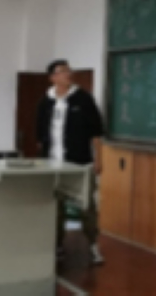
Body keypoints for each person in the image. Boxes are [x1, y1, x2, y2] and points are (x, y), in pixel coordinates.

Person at [36, 59, 105, 265]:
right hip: (52, 164)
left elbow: (96, 133)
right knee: (55, 207)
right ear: (53, 77)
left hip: (80, 164)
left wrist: (98, 159)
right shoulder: (45, 102)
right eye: (62, 71)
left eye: (68, 70)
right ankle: (57, 245)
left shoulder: (83, 99)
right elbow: (40, 136)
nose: (68, 74)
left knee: (86, 206)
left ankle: (93, 245)